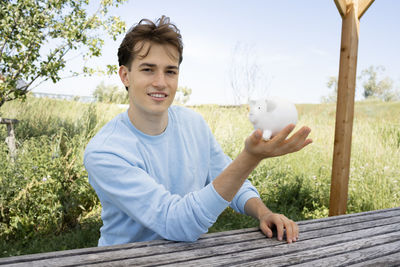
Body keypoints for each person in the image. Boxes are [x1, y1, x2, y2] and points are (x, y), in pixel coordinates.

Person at [84, 15, 312, 247]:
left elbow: (228, 177)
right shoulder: (105, 152)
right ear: (125, 76)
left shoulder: (193, 124)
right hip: (124, 259)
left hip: (186, 256)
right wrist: (251, 157)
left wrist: (263, 212)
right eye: (148, 69)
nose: (161, 82)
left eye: (170, 71)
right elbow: (176, 222)